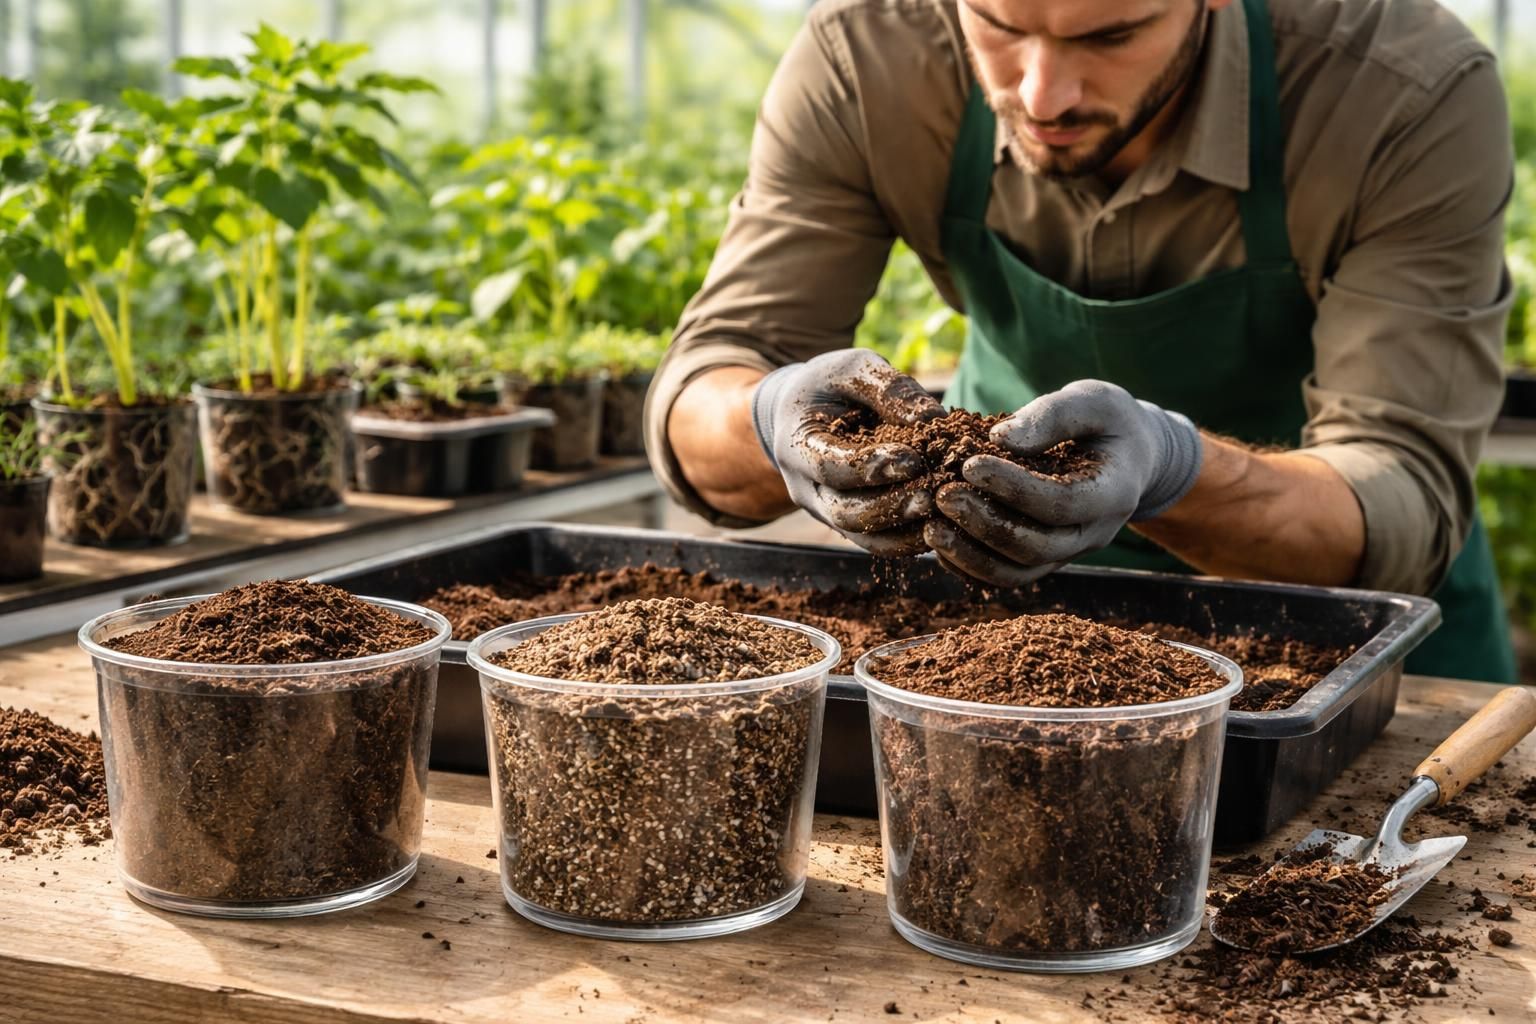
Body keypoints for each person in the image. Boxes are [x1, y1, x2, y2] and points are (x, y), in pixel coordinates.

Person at [643, 0, 1517, 682]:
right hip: (1002, 607)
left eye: (1112, 35)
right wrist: (768, 416)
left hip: (1334, 636)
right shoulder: (869, 56)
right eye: (997, 24)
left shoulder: (1399, 90)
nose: (1041, 95)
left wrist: (1174, 468)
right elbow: (705, 387)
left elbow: (1396, 483)